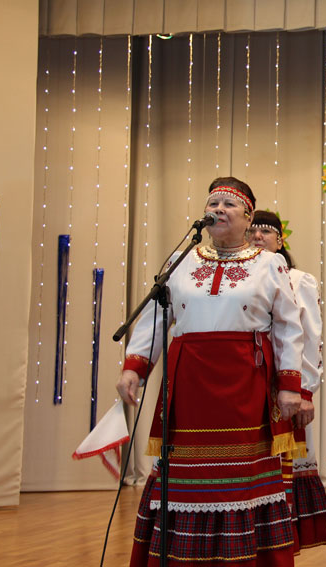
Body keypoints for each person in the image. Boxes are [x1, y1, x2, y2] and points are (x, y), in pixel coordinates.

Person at [116, 177, 304, 567]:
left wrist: (290, 385)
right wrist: (135, 367)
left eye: (228, 205)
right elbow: (155, 319)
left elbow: (289, 326)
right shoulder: (181, 261)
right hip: (189, 383)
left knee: (241, 480)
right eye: (213, 203)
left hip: (244, 382)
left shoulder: (269, 264)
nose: (218, 210)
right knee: (185, 477)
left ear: (248, 217)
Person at [249, 210, 326, 550]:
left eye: (266, 232)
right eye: (252, 231)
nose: (257, 237)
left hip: (285, 385)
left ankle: (280, 539)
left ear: (280, 240)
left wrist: (305, 389)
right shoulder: (240, 278)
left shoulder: (299, 280)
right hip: (249, 382)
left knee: (283, 458)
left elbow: (310, 337)